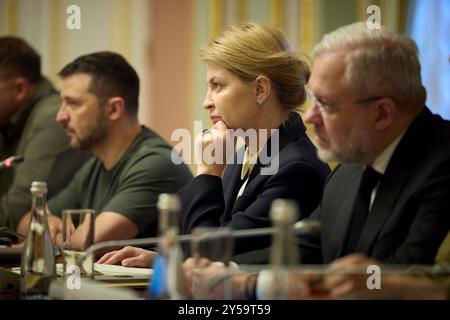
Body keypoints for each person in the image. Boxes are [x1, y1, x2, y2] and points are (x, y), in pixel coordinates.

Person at [97, 22, 330, 265]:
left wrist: (208, 172)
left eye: (217, 86)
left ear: (260, 89)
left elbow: (209, 256)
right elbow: (219, 241)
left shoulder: (297, 169)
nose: (206, 102)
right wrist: (162, 257)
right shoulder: (245, 154)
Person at [17, 51, 193, 244]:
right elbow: (26, 223)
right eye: (62, 103)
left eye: (73, 103)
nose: (60, 117)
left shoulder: (155, 163)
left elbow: (87, 243)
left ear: (113, 109)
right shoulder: (94, 166)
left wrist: (48, 235)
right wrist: (48, 221)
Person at [0, 37, 90, 232]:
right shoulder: (8, 120)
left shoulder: (53, 119)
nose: (64, 114)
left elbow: (16, 213)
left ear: (19, 89)